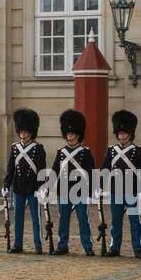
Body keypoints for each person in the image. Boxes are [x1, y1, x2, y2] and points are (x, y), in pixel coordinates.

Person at [1, 108, 47, 254]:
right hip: (19, 188)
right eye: (21, 132)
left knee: (36, 218)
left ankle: (38, 245)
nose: (23, 134)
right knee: (18, 218)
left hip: (33, 188)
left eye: (25, 132)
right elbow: (10, 169)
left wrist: (42, 187)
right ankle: (18, 244)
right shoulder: (15, 148)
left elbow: (41, 169)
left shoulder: (38, 149)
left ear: (31, 132)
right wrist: (6, 184)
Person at [103, 109, 141, 258]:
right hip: (116, 189)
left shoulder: (138, 150)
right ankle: (115, 247)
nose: (122, 136)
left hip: (132, 189)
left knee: (134, 221)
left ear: (130, 134)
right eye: (120, 134)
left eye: (124, 133)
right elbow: (105, 169)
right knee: (116, 222)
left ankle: (137, 248)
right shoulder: (111, 151)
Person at [51, 109, 95, 255]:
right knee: (63, 220)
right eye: (68, 134)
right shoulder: (61, 152)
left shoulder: (85, 152)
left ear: (78, 135)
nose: (70, 136)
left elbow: (91, 172)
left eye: (72, 134)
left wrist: (92, 191)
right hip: (64, 190)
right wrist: (46, 186)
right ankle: (62, 245)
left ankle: (87, 246)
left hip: (81, 191)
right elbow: (54, 171)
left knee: (83, 220)